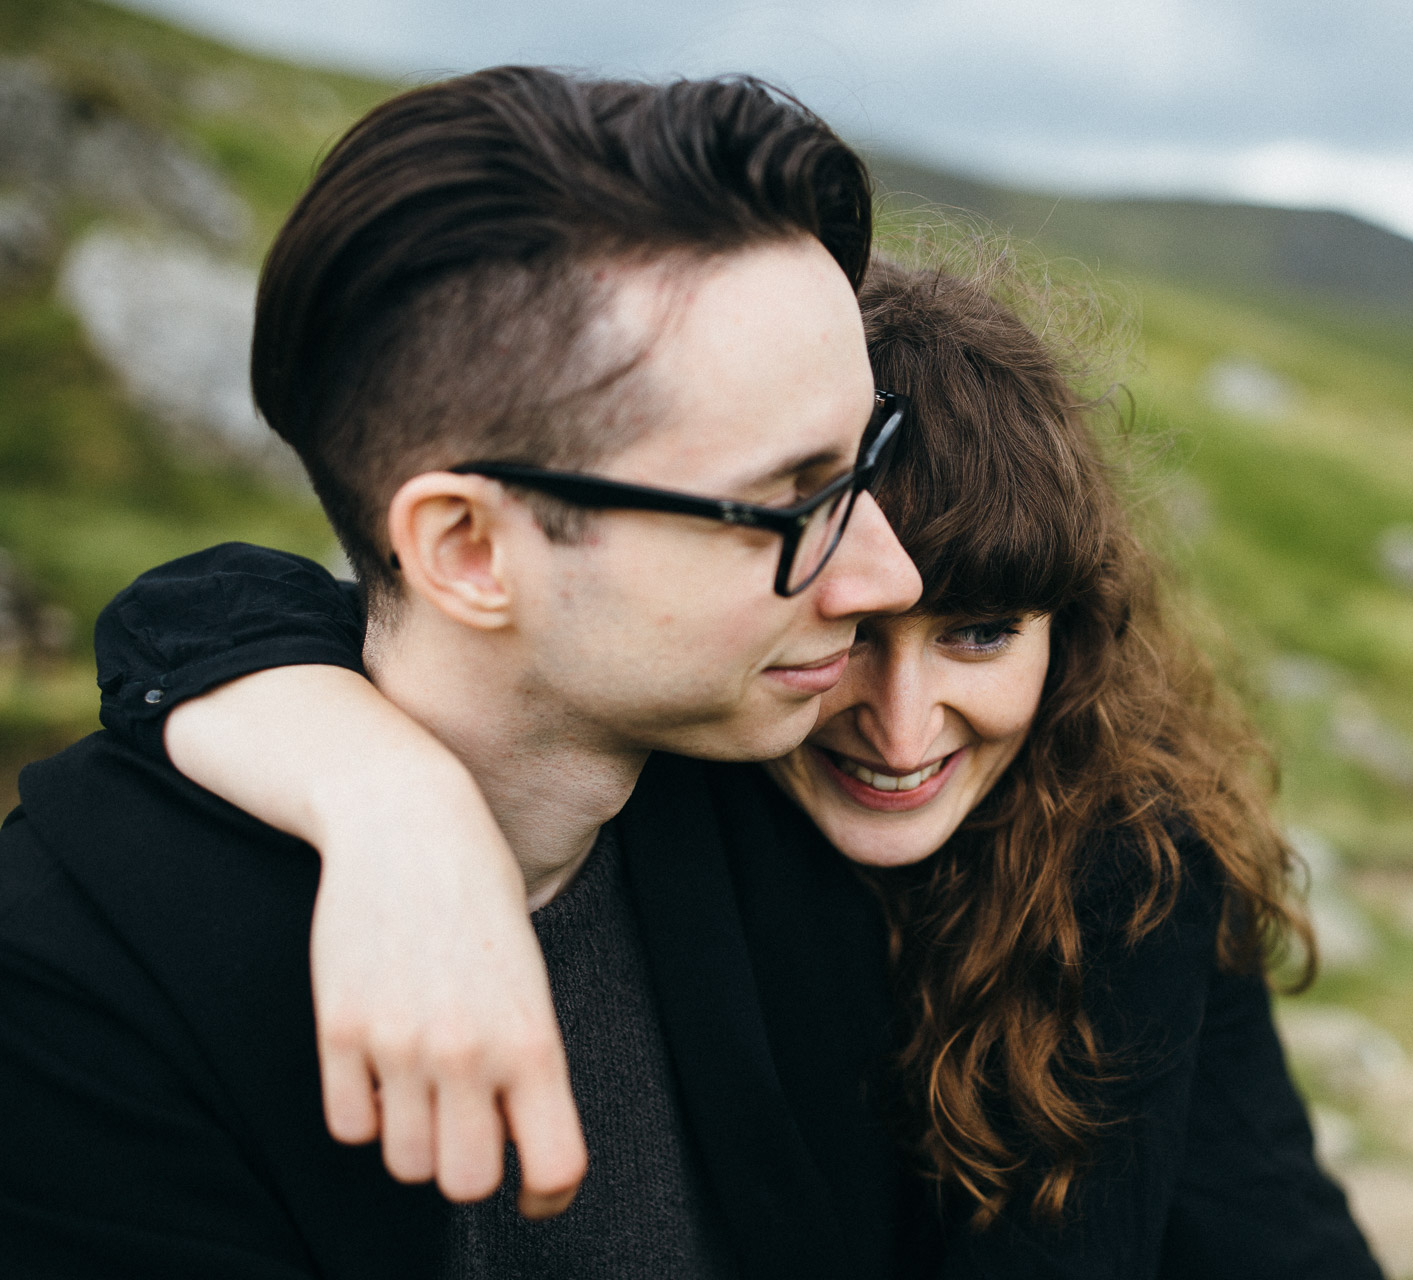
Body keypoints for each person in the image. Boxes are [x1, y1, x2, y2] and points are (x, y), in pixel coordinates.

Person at [87, 257, 1385, 1277]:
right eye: (853, 631)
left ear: (1073, 634)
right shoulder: (680, 741)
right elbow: (196, 608)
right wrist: (396, 807)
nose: (900, 719)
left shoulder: (1126, 866)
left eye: (981, 633)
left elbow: (1217, 1234)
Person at [0, 65, 925, 1279]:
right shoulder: (76, 994)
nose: (891, 576)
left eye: (864, 462)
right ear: (469, 550)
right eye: (791, 501)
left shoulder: (813, 784)